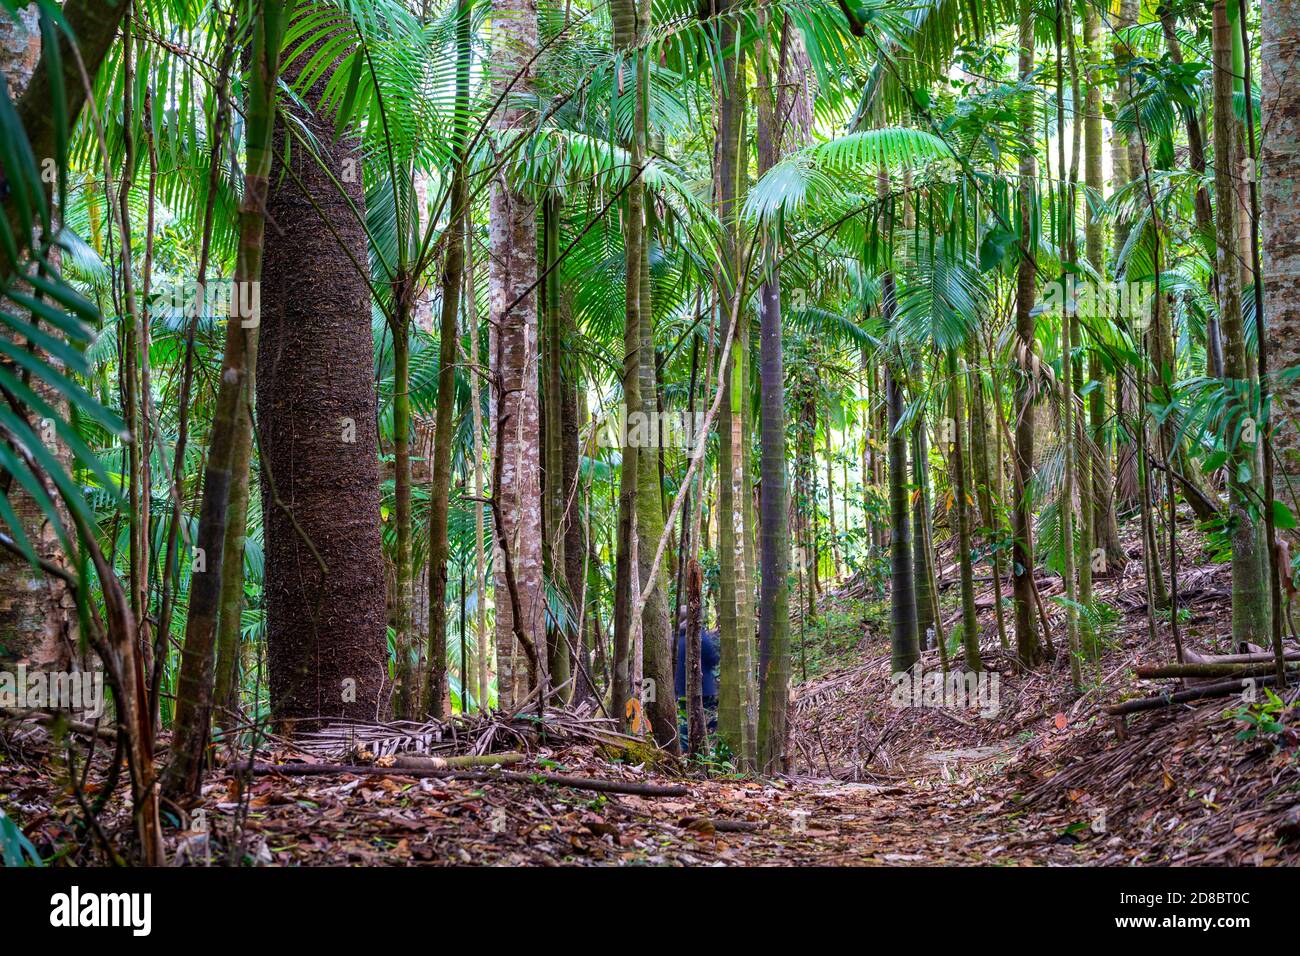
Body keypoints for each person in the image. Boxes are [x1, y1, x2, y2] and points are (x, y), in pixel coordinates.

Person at [674, 611, 720, 748]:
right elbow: (713, 659)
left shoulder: (675, 639)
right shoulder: (700, 637)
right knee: (708, 717)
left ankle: (685, 748)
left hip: (682, 688)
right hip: (703, 688)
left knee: (685, 718)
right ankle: (703, 749)